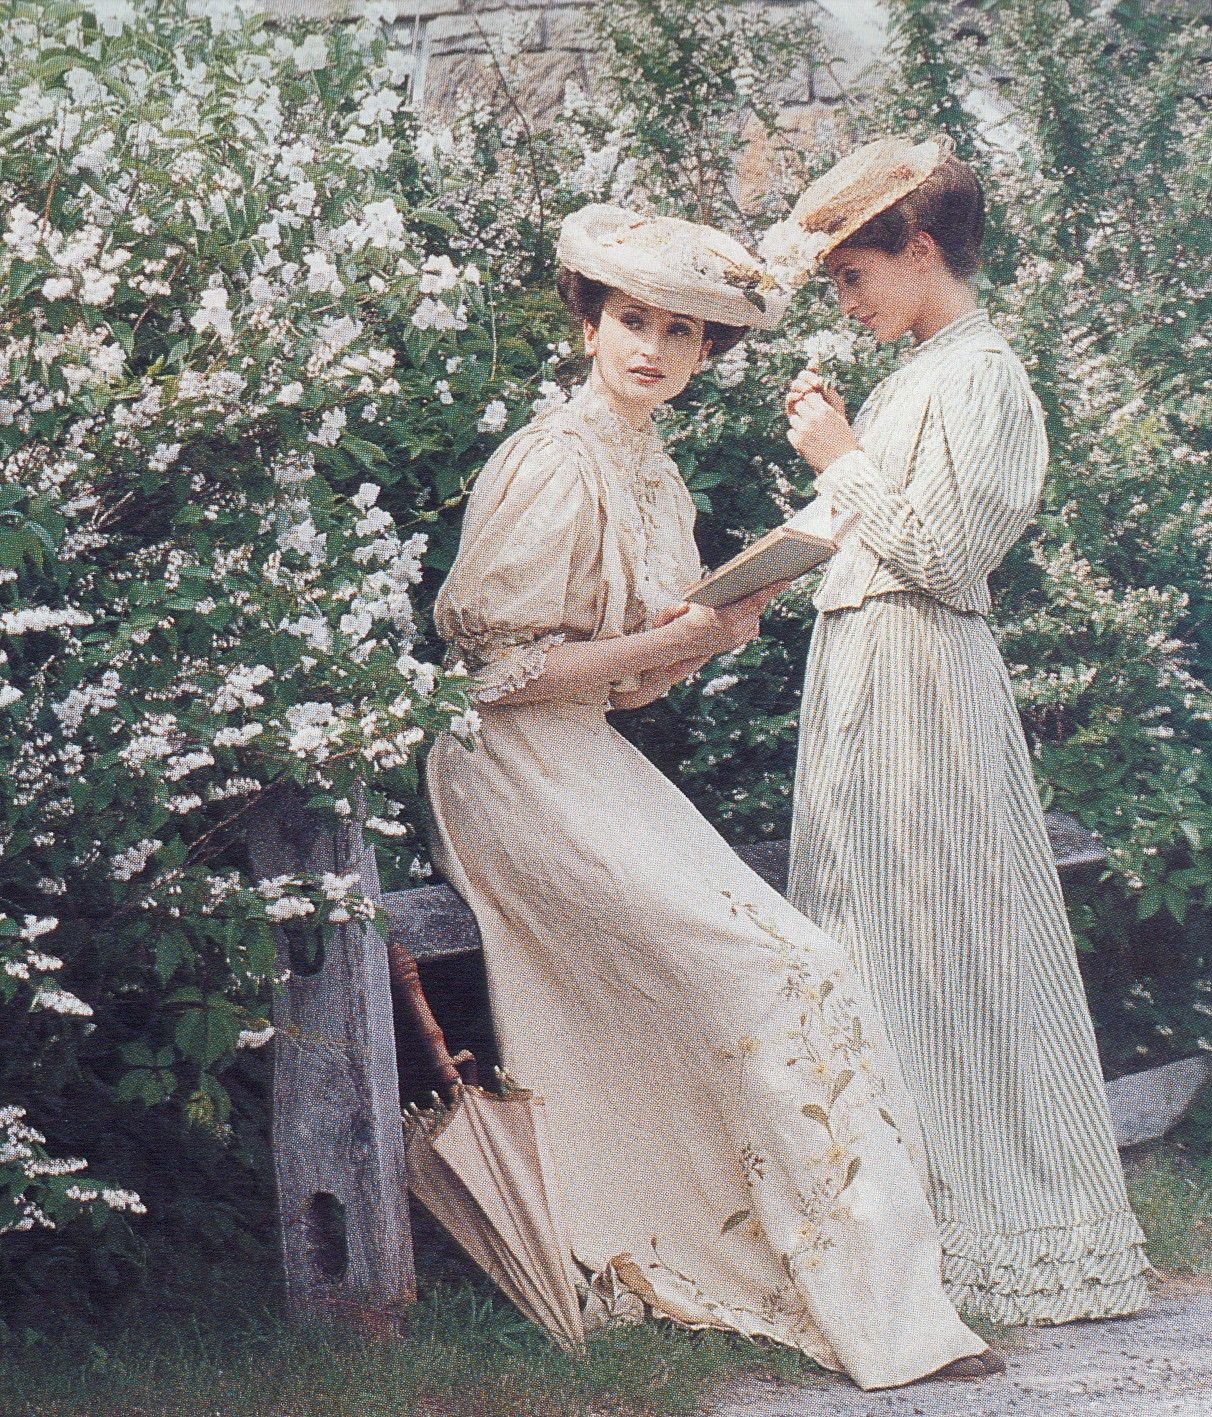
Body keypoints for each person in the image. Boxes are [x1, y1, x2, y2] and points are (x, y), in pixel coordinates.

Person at [424, 203, 1001, 1388]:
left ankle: (885, 1301)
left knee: (805, 965)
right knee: (769, 969)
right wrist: (675, 637)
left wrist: (708, 633)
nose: (653, 348)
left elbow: (625, 687)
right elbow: (489, 677)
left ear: (703, 355)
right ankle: (803, 1285)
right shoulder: (552, 457)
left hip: (582, 751)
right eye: (633, 321)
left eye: (681, 333)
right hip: (504, 768)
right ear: (589, 326)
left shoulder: (652, 471)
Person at [765, 137, 1153, 1326]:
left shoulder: (982, 376)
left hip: (924, 687)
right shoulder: (918, 374)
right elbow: (865, 532)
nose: (845, 302)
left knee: (946, 943)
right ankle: (885, 1231)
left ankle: (998, 1234)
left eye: (853, 276)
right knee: (867, 938)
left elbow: (941, 556)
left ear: (920, 248)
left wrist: (839, 457)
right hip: (869, 676)